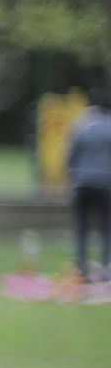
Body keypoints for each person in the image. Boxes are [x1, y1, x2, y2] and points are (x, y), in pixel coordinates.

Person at [66, 87, 111, 281]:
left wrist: (72, 174)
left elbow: (72, 154)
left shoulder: (80, 124)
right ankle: (105, 264)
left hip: (82, 182)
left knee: (81, 226)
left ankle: (82, 266)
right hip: (104, 182)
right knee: (106, 226)